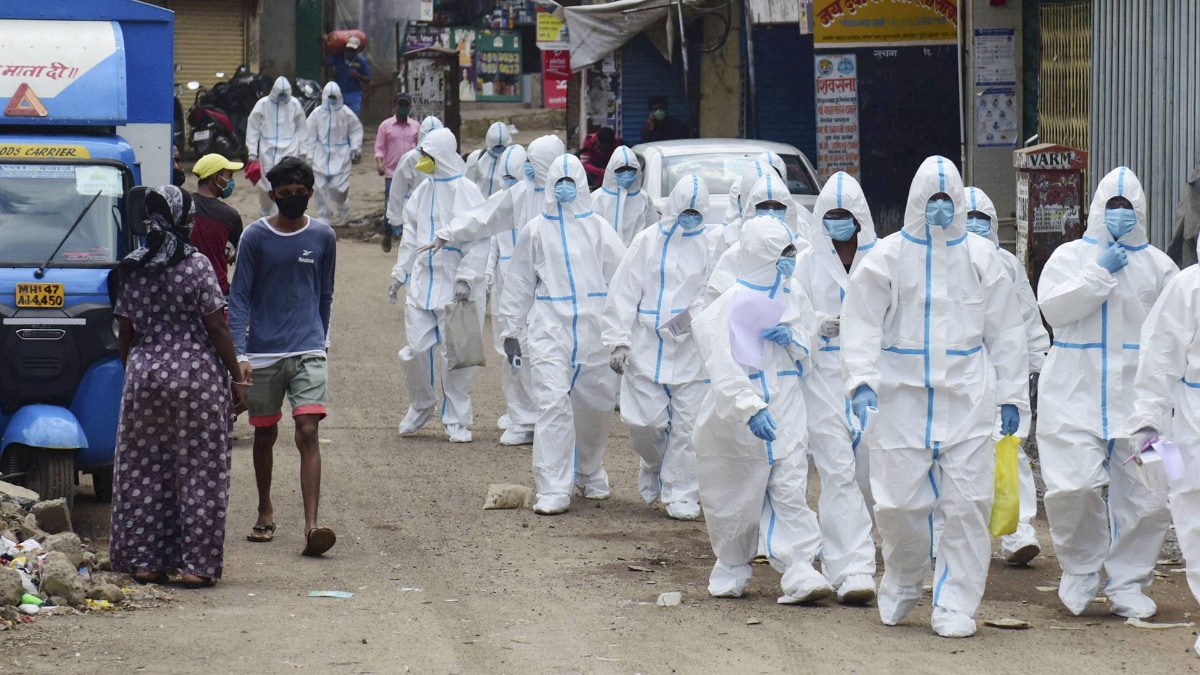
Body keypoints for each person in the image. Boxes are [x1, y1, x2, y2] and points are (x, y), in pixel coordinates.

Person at [841, 155, 1029, 638]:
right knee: (899, 506)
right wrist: (860, 380)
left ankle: (955, 602)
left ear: (961, 202)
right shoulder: (886, 256)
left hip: (967, 399)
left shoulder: (985, 259)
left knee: (967, 507)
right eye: (933, 200)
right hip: (902, 399)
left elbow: (1007, 332)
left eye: (949, 200)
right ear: (917, 202)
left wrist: (1012, 394)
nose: (941, 209)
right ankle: (904, 575)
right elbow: (860, 321)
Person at [1037, 167, 1178, 619]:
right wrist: (1099, 273)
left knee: (1153, 495)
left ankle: (1130, 582)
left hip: (1143, 398)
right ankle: (1080, 569)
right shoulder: (1068, 257)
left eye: (1127, 208)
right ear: (1096, 210)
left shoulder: (1161, 266)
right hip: (1073, 390)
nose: (1119, 215)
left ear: (1140, 212)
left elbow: (1178, 331)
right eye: (1111, 207)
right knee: (1070, 488)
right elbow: (1054, 311)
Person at [108, 185, 247, 588]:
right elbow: (217, 324)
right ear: (184, 218)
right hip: (197, 380)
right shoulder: (198, 265)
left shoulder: (131, 267)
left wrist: (134, 372)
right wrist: (236, 375)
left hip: (145, 377)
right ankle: (195, 566)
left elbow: (125, 332)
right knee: (200, 470)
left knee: (145, 469)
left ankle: (146, 561)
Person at [690, 214, 831, 602]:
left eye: (791, 250)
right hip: (735, 417)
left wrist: (795, 338)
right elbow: (719, 363)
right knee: (735, 494)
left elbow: (808, 353)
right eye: (781, 252)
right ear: (761, 254)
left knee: (789, 486)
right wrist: (750, 407)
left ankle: (800, 568)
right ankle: (733, 564)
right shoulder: (726, 303)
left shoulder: (793, 292)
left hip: (786, 401)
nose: (789, 259)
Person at [499, 154, 626, 515]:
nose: (566, 187)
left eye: (573, 181)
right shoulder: (536, 229)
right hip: (550, 326)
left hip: (594, 328)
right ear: (551, 186)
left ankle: (589, 470)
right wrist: (511, 329)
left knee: (595, 406)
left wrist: (621, 333)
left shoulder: (599, 228)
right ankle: (553, 486)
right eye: (560, 181)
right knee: (552, 404)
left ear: (583, 185)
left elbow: (624, 278)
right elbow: (520, 280)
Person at [423, 135, 565, 445]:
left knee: (556, 358)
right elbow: (484, 217)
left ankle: (554, 421)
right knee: (516, 353)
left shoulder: (572, 200)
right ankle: (524, 420)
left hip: (562, 296)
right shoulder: (521, 194)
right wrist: (449, 233)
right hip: (523, 288)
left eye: (532, 162)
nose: (528, 168)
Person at [228, 156, 338, 557]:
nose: (293, 199)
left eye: (300, 193)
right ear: (273, 195)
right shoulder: (255, 238)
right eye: (285, 194)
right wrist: (239, 353)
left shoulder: (324, 236)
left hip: (308, 348)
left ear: (310, 193)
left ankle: (311, 526)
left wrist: (321, 340)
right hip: (262, 353)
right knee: (264, 433)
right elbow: (238, 298)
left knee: (308, 430)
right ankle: (264, 509)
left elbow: (325, 293)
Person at [602, 175, 717, 521]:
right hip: (645, 347)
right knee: (644, 424)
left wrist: (689, 319)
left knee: (687, 428)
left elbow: (714, 292)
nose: (691, 218)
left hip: (690, 350)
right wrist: (618, 340)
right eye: (686, 211)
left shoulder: (712, 246)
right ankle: (653, 462)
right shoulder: (647, 242)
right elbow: (623, 291)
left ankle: (681, 492)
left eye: (697, 213)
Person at [791, 171, 879, 604]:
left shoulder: (882, 259)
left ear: (860, 217)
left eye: (846, 215)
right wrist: (815, 325)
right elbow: (791, 315)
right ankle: (853, 568)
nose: (839, 222)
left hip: (873, 379)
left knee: (869, 476)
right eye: (832, 215)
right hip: (822, 377)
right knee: (837, 472)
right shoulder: (805, 262)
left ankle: (850, 545)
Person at [963, 186, 1050, 564]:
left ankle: (1018, 531)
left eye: (983, 221)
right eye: (968, 221)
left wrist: (1037, 367)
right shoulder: (940, 263)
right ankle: (945, 531)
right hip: (959, 373)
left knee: (1008, 450)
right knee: (955, 452)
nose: (976, 228)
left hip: (1002, 371)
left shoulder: (1009, 267)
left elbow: (1027, 318)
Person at [389, 128, 488, 443]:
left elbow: (481, 237)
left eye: (427, 156)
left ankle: (457, 418)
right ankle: (422, 404)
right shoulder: (422, 191)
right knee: (415, 349)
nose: (422, 161)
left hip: (454, 287)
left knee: (456, 355)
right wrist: (399, 274)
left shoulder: (467, 190)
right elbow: (409, 237)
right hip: (422, 283)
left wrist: (466, 277)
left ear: (441, 157)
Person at [1128, 235, 1200, 657]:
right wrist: (1147, 422)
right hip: (1190, 426)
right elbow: (1158, 359)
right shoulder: (1188, 287)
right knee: (1193, 524)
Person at [246, 76, 308, 218]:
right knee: (266, 182)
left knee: (287, 181)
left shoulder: (294, 104)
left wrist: (303, 150)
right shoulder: (262, 104)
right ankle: (266, 213)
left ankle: (284, 213)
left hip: (290, 148)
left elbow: (301, 127)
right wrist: (252, 152)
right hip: (267, 148)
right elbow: (253, 127)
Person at [305, 82, 363, 227]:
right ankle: (324, 214)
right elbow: (310, 135)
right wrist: (309, 154)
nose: (332, 100)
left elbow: (355, 130)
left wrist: (355, 147)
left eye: (334, 97)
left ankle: (344, 209)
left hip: (341, 153)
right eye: (329, 97)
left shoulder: (346, 113)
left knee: (339, 188)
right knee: (319, 186)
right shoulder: (317, 114)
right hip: (320, 154)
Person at [189, 153, 245, 296]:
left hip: (184, 284)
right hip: (216, 289)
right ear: (215, 178)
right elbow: (243, 252)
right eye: (229, 176)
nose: (231, 181)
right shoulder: (230, 215)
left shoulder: (183, 206)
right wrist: (232, 254)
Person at [386, 115, 445, 241]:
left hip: (442, 211)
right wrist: (394, 217)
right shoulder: (410, 159)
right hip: (415, 212)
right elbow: (398, 190)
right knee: (412, 250)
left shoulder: (450, 158)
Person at [591, 146, 659, 247]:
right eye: (621, 169)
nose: (626, 173)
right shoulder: (597, 198)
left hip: (635, 258)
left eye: (630, 169)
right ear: (611, 170)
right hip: (605, 260)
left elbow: (653, 231)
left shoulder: (643, 199)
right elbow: (591, 232)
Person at [465, 121, 515, 197]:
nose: (499, 149)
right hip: (481, 205)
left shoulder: (513, 159)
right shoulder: (477, 157)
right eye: (496, 146)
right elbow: (467, 184)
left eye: (501, 146)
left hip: (504, 207)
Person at [328, 35, 370, 115]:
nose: (350, 52)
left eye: (353, 50)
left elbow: (368, 79)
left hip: (354, 94)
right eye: (349, 49)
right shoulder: (339, 59)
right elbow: (325, 63)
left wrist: (358, 76)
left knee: (352, 116)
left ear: (357, 50)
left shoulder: (361, 62)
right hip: (339, 93)